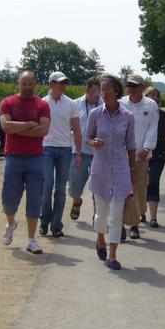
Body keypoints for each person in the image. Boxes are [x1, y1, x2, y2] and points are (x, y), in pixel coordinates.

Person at [85, 74, 136, 270]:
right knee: (101, 214)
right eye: (101, 89)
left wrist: (132, 170)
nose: (103, 92)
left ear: (116, 91)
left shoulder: (128, 117)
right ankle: (100, 238)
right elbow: (88, 137)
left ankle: (113, 255)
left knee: (116, 216)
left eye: (106, 88)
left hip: (121, 169)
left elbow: (131, 145)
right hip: (101, 169)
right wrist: (93, 142)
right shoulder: (95, 114)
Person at [0, 71, 51, 255]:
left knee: (35, 198)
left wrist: (17, 128)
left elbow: (43, 130)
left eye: (30, 84)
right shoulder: (7, 102)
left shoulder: (42, 105)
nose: (27, 87)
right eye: (24, 83)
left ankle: (31, 239)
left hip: (36, 157)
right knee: (9, 197)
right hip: (13, 156)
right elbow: (6, 126)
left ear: (35, 84)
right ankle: (11, 223)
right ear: (19, 83)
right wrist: (29, 124)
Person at [40, 71, 82, 238]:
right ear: (52, 84)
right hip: (46, 147)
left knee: (60, 190)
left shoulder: (71, 104)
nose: (63, 85)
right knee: (46, 186)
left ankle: (56, 224)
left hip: (65, 149)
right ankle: (44, 221)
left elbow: (77, 130)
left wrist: (78, 153)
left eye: (65, 82)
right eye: (60, 82)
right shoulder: (42, 103)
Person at [118, 73, 159, 240]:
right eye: (129, 85)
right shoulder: (120, 103)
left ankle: (136, 220)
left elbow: (153, 128)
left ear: (142, 87)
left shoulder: (151, 105)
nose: (132, 88)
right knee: (121, 189)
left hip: (141, 155)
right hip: (121, 153)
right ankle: (124, 224)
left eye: (135, 85)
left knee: (138, 189)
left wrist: (146, 148)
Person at [68, 77, 101, 223]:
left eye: (99, 91)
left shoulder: (104, 105)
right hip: (78, 151)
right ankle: (77, 201)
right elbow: (68, 126)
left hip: (98, 153)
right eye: (93, 91)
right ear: (86, 90)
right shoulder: (75, 104)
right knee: (74, 184)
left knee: (97, 185)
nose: (96, 94)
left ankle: (97, 213)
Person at [143, 86, 165, 228]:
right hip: (141, 153)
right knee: (141, 183)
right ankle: (140, 212)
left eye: (156, 95)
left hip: (159, 153)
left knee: (153, 182)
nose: (154, 97)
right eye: (151, 95)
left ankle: (153, 217)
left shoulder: (163, 115)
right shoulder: (139, 112)